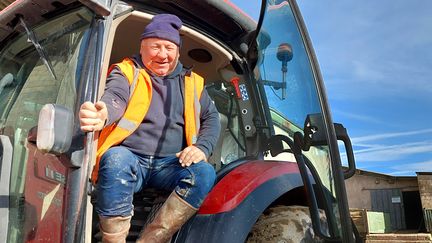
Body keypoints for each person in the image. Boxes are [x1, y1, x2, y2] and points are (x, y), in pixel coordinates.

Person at [79, 14, 221, 243]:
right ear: (142, 47)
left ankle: (151, 240)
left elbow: (212, 118)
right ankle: (112, 239)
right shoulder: (128, 71)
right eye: (155, 46)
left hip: (171, 164)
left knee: (204, 173)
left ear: (177, 51)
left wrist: (202, 147)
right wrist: (102, 113)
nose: (163, 55)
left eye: (169, 47)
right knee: (115, 159)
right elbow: (115, 96)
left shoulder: (193, 83)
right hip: (131, 158)